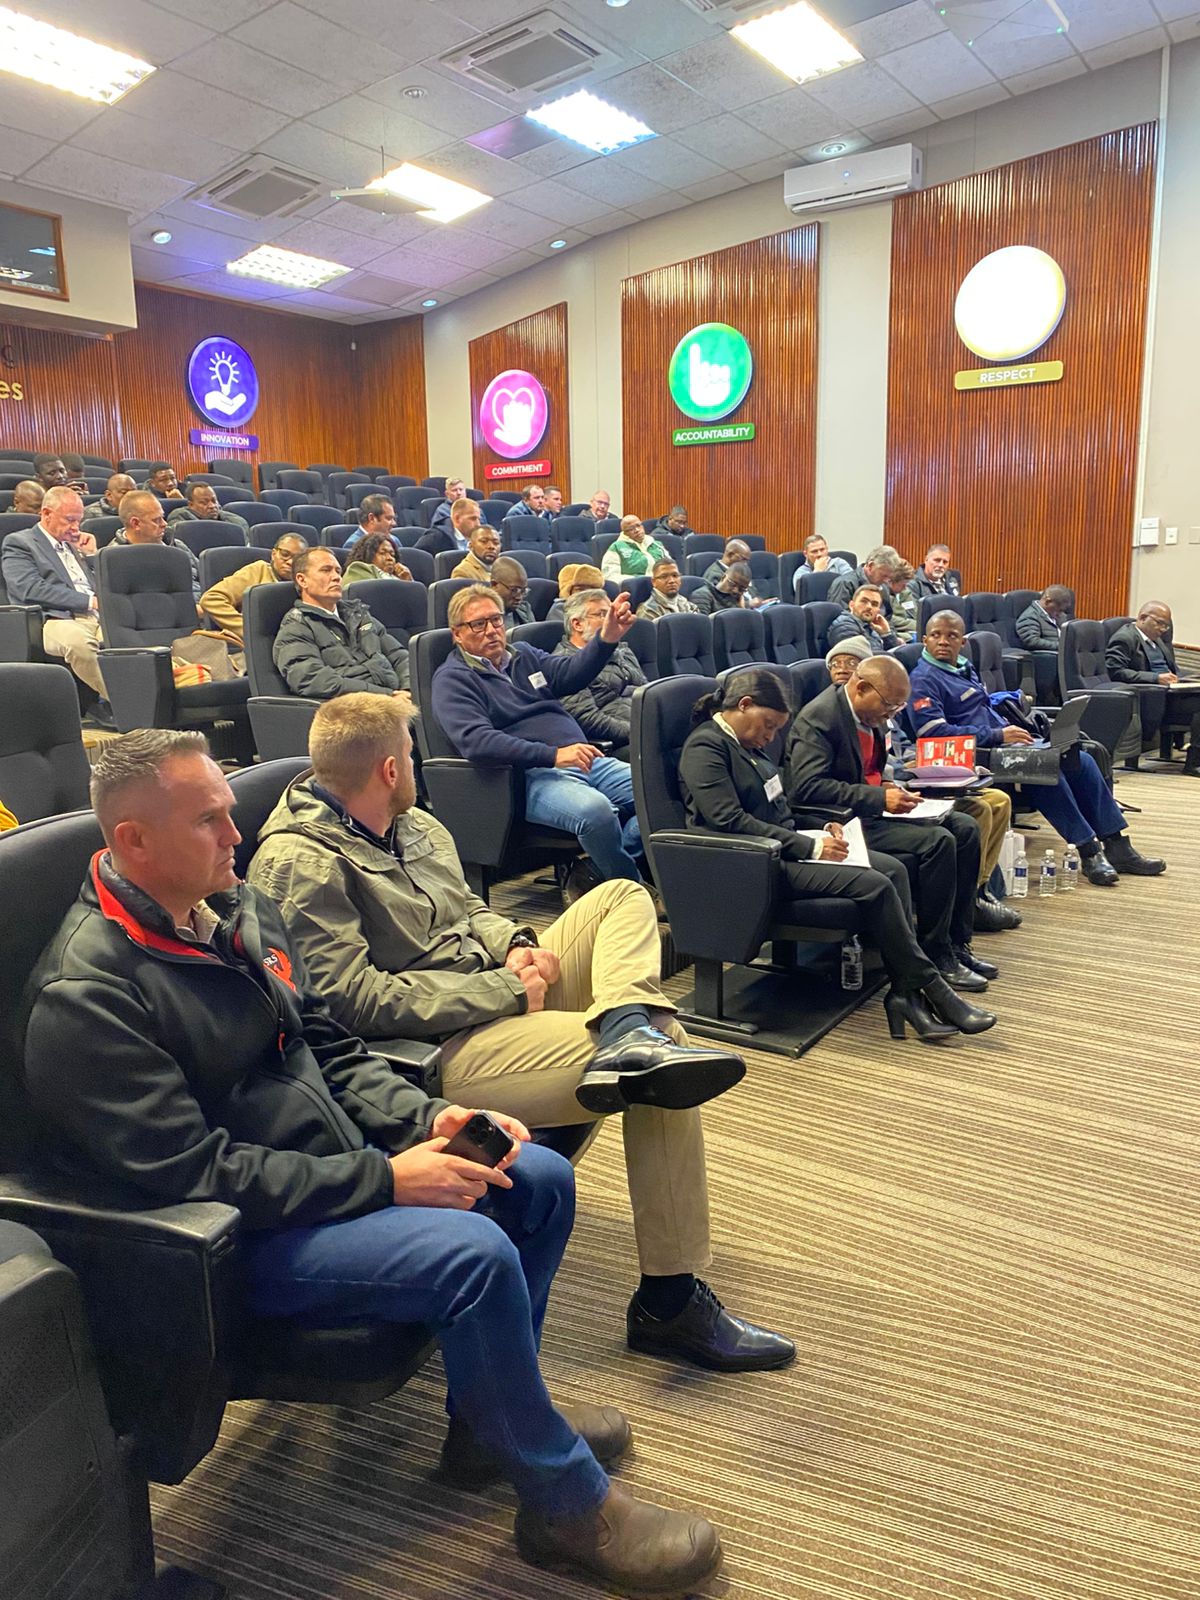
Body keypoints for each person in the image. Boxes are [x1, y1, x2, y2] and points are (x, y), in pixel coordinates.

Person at [23, 729, 722, 1596]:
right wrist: (386, 1179)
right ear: (133, 840)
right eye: (209, 821)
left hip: (322, 1169)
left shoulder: (231, 910)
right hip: (230, 1242)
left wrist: (427, 1116)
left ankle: (488, 1425)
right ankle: (565, 1506)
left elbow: (327, 1044)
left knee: (535, 1177)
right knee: (472, 1254)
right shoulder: (89, 996)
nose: (238, 835)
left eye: (229, 813)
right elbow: (195, 1176)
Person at [248, 696, 789, 1375]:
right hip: (441, 1046)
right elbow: (347, 1004)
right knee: (664, 1050)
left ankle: (625, 1025)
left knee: (620, 898)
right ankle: (669, 1300)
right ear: (389, 769)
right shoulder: (301, 863)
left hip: (493, 988)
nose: (417, 764)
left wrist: (517, 942)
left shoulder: (411, 822)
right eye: (411, 755)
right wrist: (503, 990)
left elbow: (469, 908)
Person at [680, 669, 994, 1042]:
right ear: (744, 705)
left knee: (892, 870)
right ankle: (932, 988)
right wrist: (810, 846)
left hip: (781, 848)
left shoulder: (748, 746)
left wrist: (823, 825)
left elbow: (779, 807)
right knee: (875, 884)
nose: (772, 736)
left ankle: (905, 994)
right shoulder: (706, 748)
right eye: (769, 725)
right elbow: (728, 820)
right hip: (749, 864)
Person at [786, 655, 1000, 986]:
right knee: (939, 842)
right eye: (889, 706)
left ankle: (958, 943)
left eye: (897, 708)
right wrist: (877, 797)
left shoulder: (872, 713)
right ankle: (935, 953)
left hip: (873, 810)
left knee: (965, 828)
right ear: (861, 688)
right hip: (842, 822)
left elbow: (872, 767)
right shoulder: (819, 719)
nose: (892, 715)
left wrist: (888, 786)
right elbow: (806, 787)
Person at [908, 610, 1166, 885]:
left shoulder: (962, 667)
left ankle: (1117, 846)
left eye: (951, 636)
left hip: (1001, 746)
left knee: (1082, 760)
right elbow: (931, 732)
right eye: (936, 635)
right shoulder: (924, 680)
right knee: (1043, 771)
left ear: (962, 642)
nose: (943, 641)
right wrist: (997, 735)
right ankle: (1088, 850)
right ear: (925, 639)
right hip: (967, 756)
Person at [432, 584, 644, 885]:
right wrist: (552, 755)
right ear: (457, 634)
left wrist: (606, 638)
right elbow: (476, 742)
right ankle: (631, 888)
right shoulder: (453, 679)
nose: (491, 630)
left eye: (496, 620)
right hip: (529, 776)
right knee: (596, 813)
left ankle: (599, 871)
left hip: (585, 759)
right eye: (478, 624)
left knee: (657, 792)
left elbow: (571, 673)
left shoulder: (523, 655)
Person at [0, 485, 109, 714]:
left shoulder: (74, 544)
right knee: (79, 643)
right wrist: (88, 602)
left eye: (78, 520)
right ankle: (125, 702)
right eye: (69, 520)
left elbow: (99, 584)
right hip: (53, 618)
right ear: (46, 513)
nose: (75, 527)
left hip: (95, 616)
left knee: (128, 638)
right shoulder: (20, 543)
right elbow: (29, 589)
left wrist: (91, 556)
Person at [274, 547, 409, 700]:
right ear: (302, 580)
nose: (336, 577)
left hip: (396, 699)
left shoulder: (359, 614)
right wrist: (386, 696)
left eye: (338, 571)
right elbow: (311, 679)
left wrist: (409, 689)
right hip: (350, 706)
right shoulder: (296, 625)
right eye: (326, 570)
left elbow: (400, 657)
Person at [1106, 600, 1200, 776]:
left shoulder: (1156, 641)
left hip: (1171, 694)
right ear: (1143, 618)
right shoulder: (1125, 638)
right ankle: (1194, 763)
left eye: (1166, 625)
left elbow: (1172, 670)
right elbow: (1115, 671)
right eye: (1160, 623)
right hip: (1152, 698)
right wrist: (1155, 678)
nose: (1163, 629)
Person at [554, 589, 645, 758]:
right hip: (616, 744)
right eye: (602, 614)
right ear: (577, 624)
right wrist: (640, 731)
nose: (611, 619)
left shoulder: (622, 650)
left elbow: (645, 690)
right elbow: (588, 718)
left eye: (611, 613)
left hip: (644, 725)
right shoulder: (564, 664)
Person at [198, 533, 308, 646]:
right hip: (258, 646)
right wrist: (249, 631)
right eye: (285, 554)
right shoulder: (258, 571)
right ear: (274, 554)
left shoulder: (306, 581)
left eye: (297, 558)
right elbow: (211, 599)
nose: (290, 562)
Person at [113, 490, 201, 601]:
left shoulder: (176, 545)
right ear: (135, 523)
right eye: (156, 520)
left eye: (162, 517)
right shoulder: (115, 559)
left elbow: (205, 579)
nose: (164, 524)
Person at [828, 545, 903, 615]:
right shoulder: (844, 584)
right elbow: (840, 617)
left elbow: (888, 617)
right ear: (870, 566)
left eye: (889, 577)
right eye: (884, 576)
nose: (886, 581)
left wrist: (886, 626)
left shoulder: (883, 587)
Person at [827, 584, 899, 653]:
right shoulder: (844, 625)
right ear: (851, 605)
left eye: (874, 604)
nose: (869, 607)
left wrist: (886, 633)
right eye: (864, 601)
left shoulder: (871, 629)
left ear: (878, 611)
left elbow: (894, 653)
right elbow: (860, 655)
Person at [167, 481, 251, 539]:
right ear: (191, 505)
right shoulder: (179, 517)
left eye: (214, 501)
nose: (212, 506)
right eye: (204, 502)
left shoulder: (236, 521)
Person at [601, 515, 669, 581]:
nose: (637, 530)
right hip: (635, 586)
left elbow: (670, 566)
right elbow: (610, 576)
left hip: (662, 584)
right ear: (625, 533)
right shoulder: (616, 547)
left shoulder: (656, 544)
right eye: (631, 529)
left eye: (638, 525)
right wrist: (636, 580)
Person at [702, 541, 767, 607]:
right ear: (730, 555)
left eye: (747, 560)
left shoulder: (741, 571)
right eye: (743, 559)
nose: (746, 564)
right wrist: (749, 604)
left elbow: (754, 593)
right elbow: (721, 604)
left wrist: (761, 602)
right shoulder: (714, 575)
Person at [1015, 585, 1073, 649]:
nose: (1060, 614)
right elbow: (1033, 641)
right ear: (1048, 602)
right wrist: (1061, 647)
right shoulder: (1029, 617)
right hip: (1049, 653)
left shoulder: (1061, 616)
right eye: (1059, 610)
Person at [343, 531, 408, 586]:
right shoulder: (357, 570)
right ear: (368, 555)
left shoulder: (399, 577)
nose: (389, 558)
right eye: (382, 553)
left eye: (392, 555)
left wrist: (408, 582)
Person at [450, 515, 501, 582]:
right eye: (484, 541)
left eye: (496, 543)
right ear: (471, 546)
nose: (491, 546)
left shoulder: (505, 567)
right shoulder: (462, 572)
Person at [492, 556, 536, 628]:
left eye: (523, 591)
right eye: (514, 590)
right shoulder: (480, 615)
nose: (519, 597)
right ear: (494, 585)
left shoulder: (524, 610)